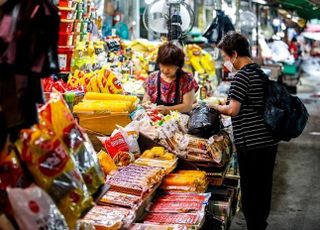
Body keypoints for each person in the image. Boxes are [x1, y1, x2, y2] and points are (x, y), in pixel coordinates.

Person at [210, 32, 279, 230]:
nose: (225, 62)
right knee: (263, 186)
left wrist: (215, 106)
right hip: (268, 142)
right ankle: (260, 224)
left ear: (234, 54)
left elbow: (233, 110)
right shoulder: (259, 72)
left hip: (251, 143)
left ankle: (254, 225)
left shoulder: (242, 76)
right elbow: (249, 102)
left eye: (225, 57)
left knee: (250, 188)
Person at [143, 42, 198, 114]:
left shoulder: (187, 79)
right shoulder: (152, 78)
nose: (165, 70)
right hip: (155, 120)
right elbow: (146, 100)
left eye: (170, 67)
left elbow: (187, 106)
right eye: (163, 65)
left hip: (179, 121)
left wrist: (167, 110)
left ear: (178, 65)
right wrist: (147, 105)